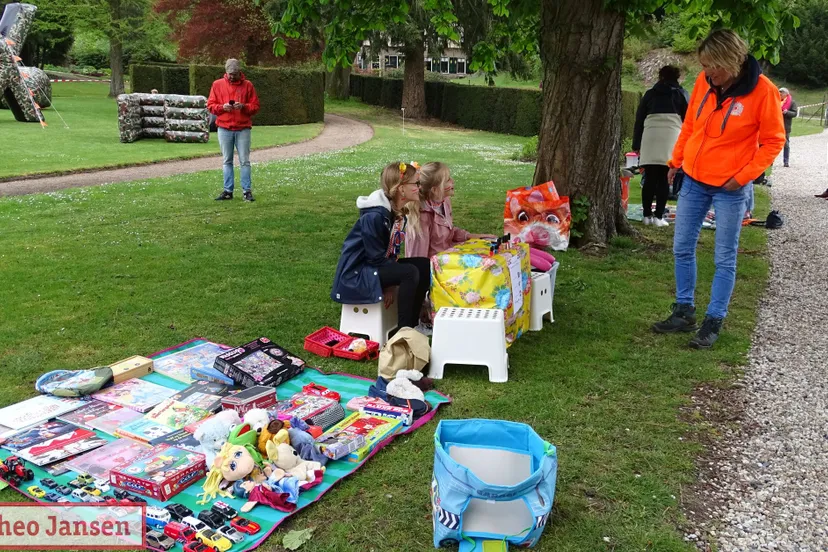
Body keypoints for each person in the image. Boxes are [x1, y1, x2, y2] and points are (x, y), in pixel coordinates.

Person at [652, 29, 786, 349]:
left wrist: (744, 176)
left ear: (732, 60)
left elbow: (773, 142)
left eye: (713, 65)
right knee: (682, 246)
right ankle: (684, 311)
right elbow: (691, 126)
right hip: (695, 179)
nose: (706, 71)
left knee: (724, 256)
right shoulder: (704, 82)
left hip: (730, 187)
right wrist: (676, 160)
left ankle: (714, 319)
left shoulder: (764, 92)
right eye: (704, 65)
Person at [331, 163, 430, 334]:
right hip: (356, 272)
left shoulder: (392, 211)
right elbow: (375, 258)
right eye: (415, 184)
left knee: (423, 265)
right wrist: (389, 282)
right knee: (409, 272)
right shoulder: (375, 216)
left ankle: (413, 325)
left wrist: (391, 282)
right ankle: (404, 333)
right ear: (401, 188)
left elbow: (389, 252)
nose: (419, 188)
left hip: (372, 265)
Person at [632, 65, 689, 227]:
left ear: (660, 76)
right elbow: (689, 121)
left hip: (650, 135)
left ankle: (646, 215)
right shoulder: (681, 94)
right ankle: (658, 217)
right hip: (671, 136)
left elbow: (639, 120)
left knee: (649, 177)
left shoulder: (650, 94)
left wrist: (637, 144)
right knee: (665, 177)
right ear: (677, 77)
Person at [406, 162, 495, 258]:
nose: (452, 181)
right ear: (435, 190)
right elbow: (418, 260)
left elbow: (448, 233)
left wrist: (471, 236)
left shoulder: (444, 202)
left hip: (449, 258)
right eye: (448, 179)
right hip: (437, 268)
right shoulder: (422, 217)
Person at [207, 59, 260, 202]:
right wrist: (222, 107)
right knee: (227, 161)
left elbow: (255, 106)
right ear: (225, 72)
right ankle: (228, 191)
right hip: (224, 127)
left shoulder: (248, 85)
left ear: (239, 72)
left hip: (243, 128)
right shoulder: (217, 85)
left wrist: (243, 106)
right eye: (230, 74)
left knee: (245, 161)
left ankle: (246, 191)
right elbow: (211, 105)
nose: (232, 76)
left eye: (235, 74)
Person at [779, 87, 797, 167]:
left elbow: (794, 113)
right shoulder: (776, 100)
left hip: (786, 126)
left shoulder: (791, 102)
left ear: (786, 94)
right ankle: (770, 162)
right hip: (775, 125)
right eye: (779, 92)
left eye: (781, 93)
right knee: (772, 144)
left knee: (786, 144)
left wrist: (787, 112)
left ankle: (786, 161)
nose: (780, 94)